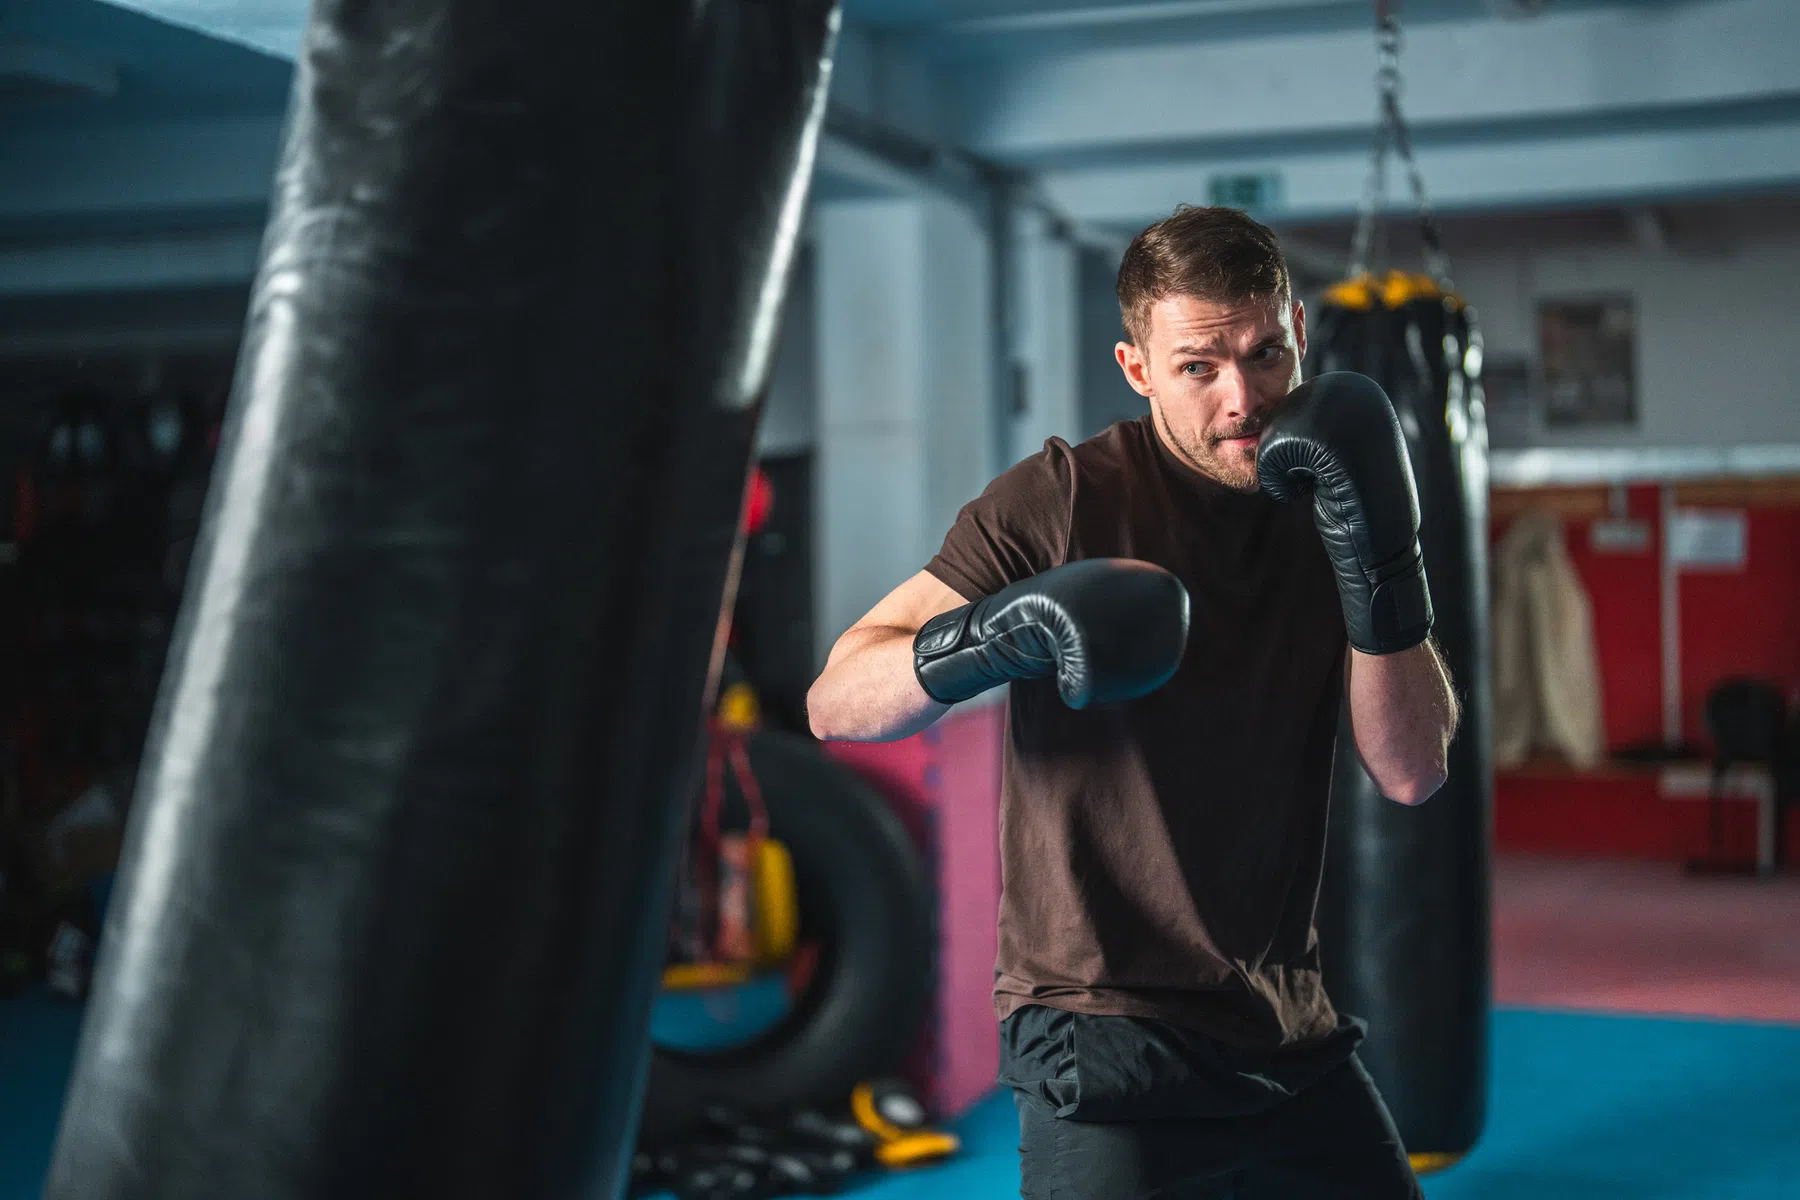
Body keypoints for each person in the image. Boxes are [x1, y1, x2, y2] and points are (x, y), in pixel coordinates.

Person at [804, 205, 1460, 1199]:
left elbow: (1412, 771)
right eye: (1199, 365)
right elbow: (836, 700)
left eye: (1265, 354)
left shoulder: (1330, 495)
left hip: (1286, 1023)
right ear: (1138, 367)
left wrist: (1380, 563)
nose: (1242, 397)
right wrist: (986, 641)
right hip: (1100, 1028)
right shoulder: (1060, 501)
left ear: (1297, 338)